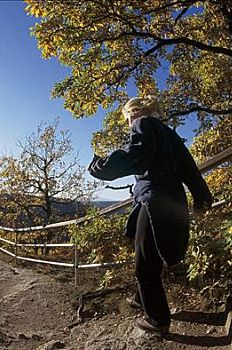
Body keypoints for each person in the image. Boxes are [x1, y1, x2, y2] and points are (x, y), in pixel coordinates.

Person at [88, 96, 212, 334]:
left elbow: (137, 154)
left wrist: (103, 168)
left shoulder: (142, 124)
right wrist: (202, 198)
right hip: (173, 201)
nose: (128, 124)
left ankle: (158, 320)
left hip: (154, 200)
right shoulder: (171, 135)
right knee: (149, 253)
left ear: (131, 113)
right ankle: (141, 299)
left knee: (144, 264)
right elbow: (190, 169)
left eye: (126, 119)